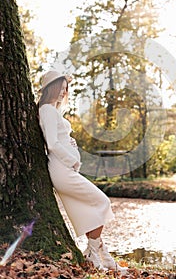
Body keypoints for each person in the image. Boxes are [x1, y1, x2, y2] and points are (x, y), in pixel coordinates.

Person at [38, 70, 128, 273]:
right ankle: (92, 253)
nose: (63, 92)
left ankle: (103, 256)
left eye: (65, 88)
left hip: (64, 169)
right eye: (59, 88)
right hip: (62, 170)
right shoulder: (47, 110)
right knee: (102, 202)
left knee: (89, 213)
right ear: (50, 88)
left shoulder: (51, 110)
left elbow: (58, 138)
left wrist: (70, 143)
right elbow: (52, 143)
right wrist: (73, 160)